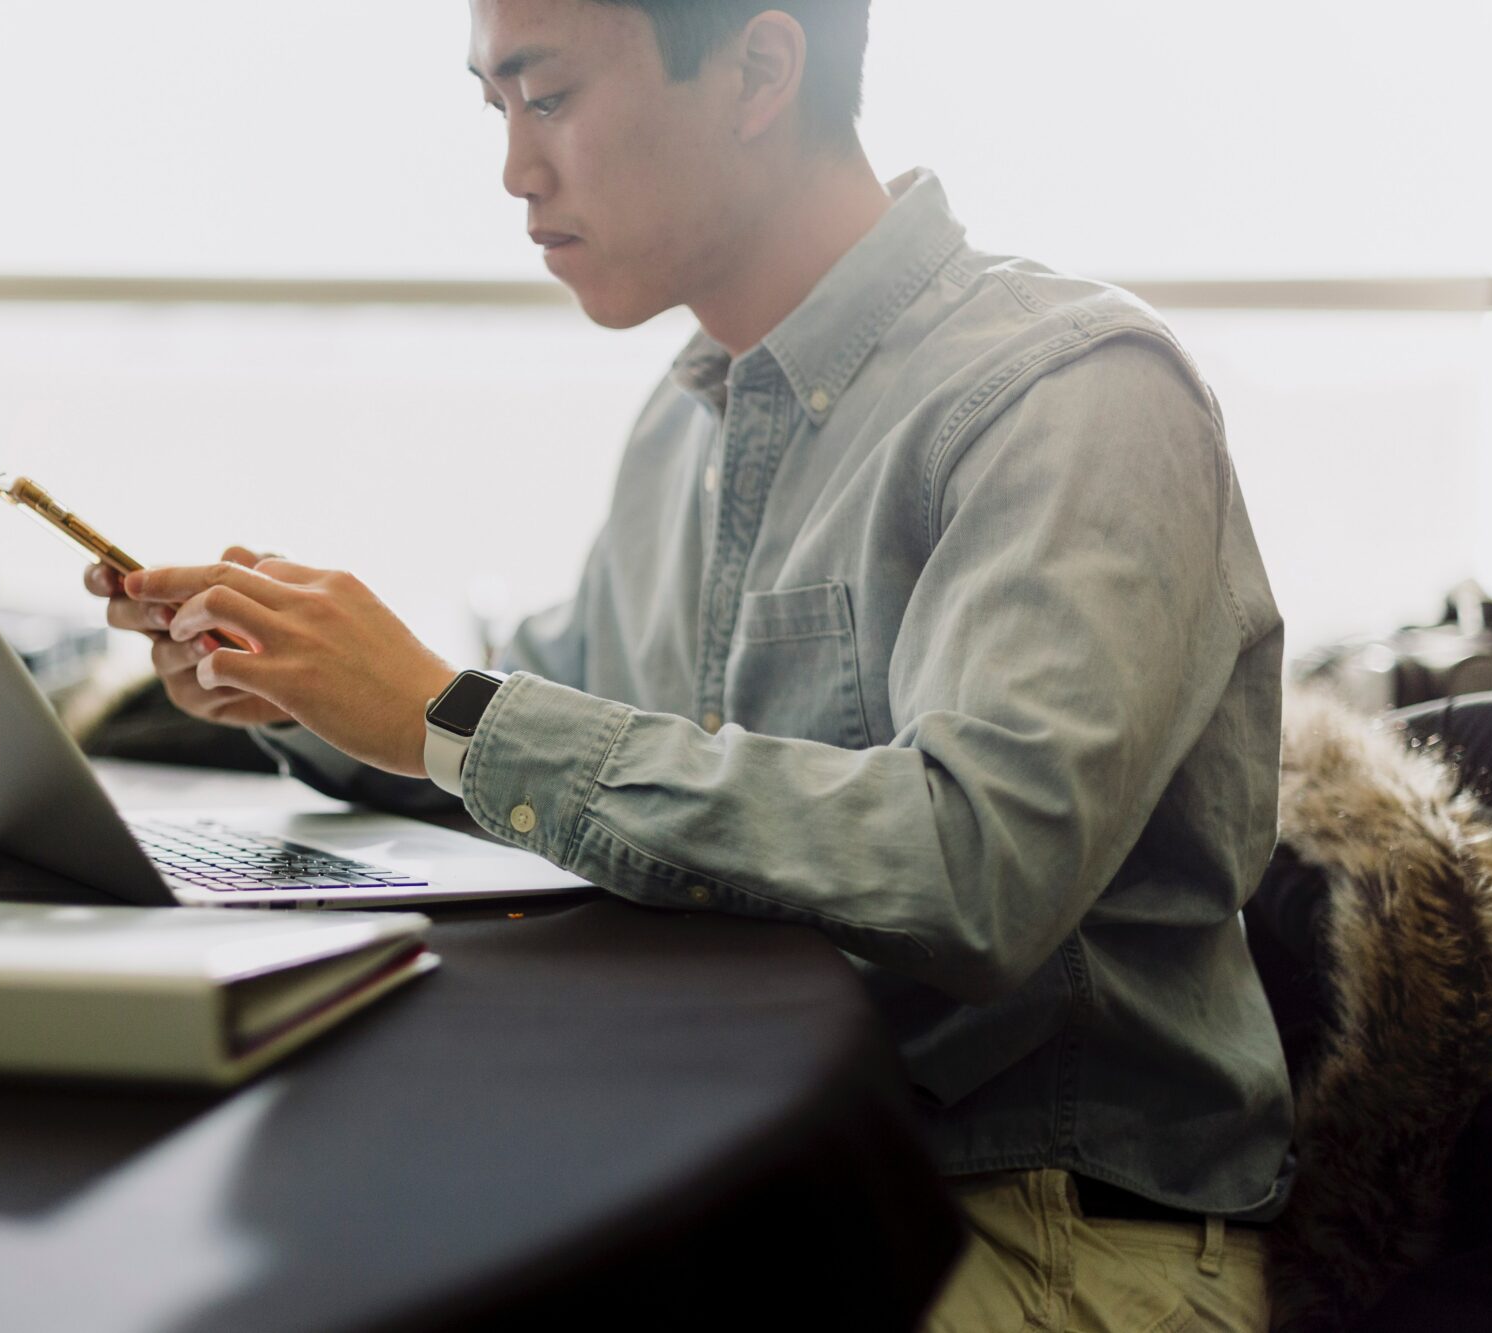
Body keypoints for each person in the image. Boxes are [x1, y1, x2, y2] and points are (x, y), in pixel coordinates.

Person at [88, 2, 1291, 1327]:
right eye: (495, 107)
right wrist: (305, 688)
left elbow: (978, 865)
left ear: (761, 69)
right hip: (756, 1162)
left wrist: (449, 712)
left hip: (1032, 1216)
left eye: (544, 95)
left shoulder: (1071, 395)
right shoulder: (688, 422)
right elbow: (549, 740)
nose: (514, 170)